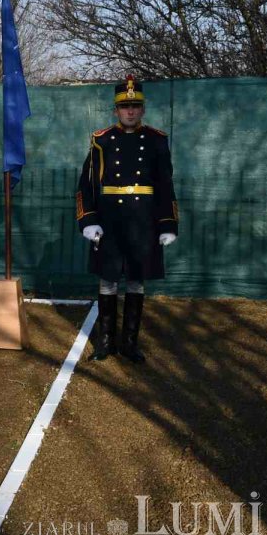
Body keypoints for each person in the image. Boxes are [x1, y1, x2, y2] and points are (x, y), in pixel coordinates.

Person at [75, 76, 178, 363]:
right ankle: (105, 342)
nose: (130, 111)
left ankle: (130, 344)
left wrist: (168, 223)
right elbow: (87, 185)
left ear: (142, 109)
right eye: (125, 106)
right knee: (107, 280)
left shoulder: (157, 141)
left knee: (136, 281)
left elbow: (165, 185)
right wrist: (89, 220)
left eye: (135, 106)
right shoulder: (102, 140)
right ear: (115, 110)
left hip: (143, 221)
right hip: (109, 221)